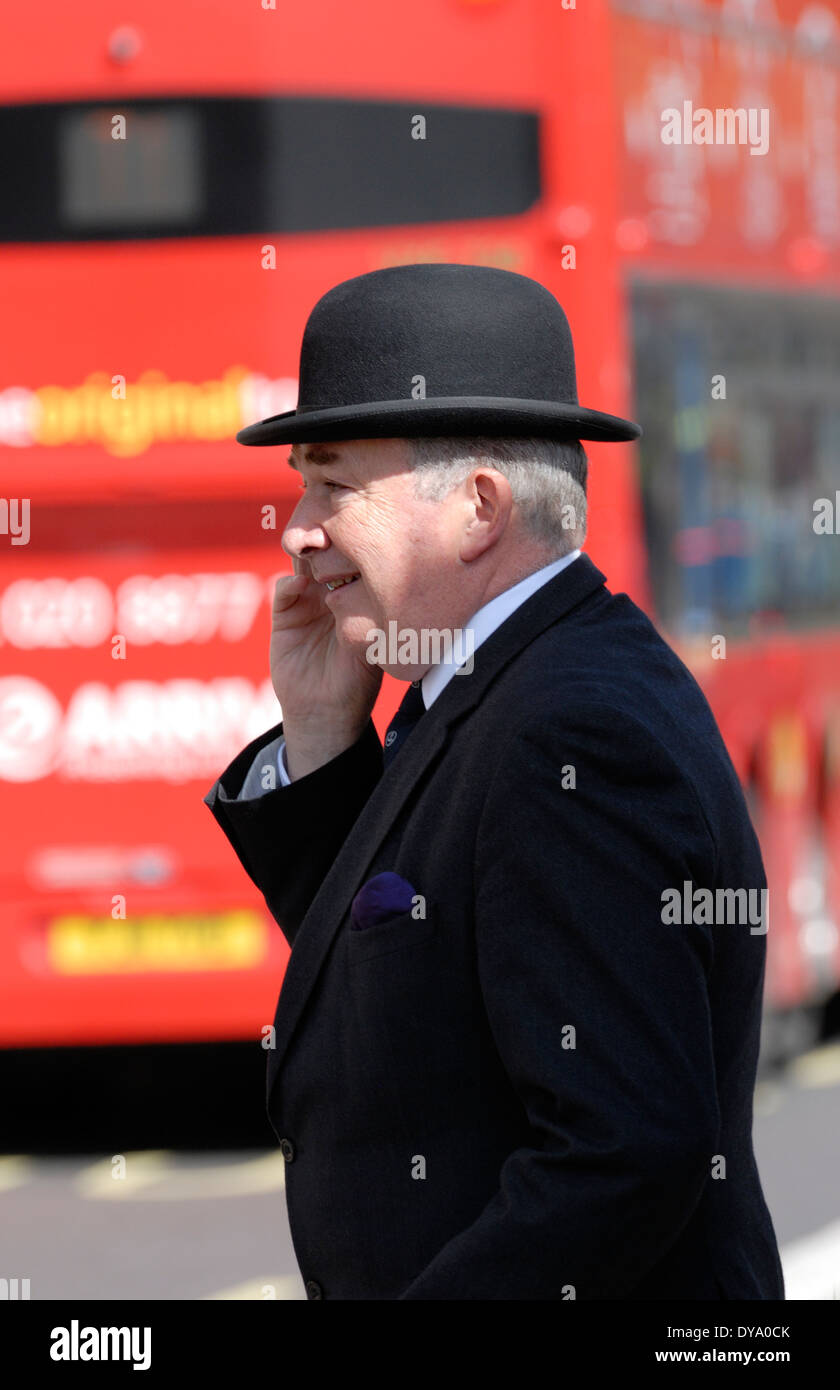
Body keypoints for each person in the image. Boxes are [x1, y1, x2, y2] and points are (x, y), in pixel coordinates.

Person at [204, 263, 785, 1301]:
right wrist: (327, 733)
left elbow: (624, 1151)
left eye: (333, 485)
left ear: (477, 508)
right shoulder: (499, 684)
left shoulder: (569, 728)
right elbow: (401, 997)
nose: (298, 529)